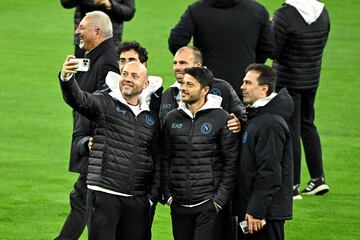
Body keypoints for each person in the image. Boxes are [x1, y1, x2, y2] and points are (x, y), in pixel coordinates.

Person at [59, 61, 161, 240]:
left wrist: (150, 197)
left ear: (145, 84)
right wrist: (67, 78)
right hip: (104, 194)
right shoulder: (105, 102)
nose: (127, 79)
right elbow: (79, 100)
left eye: (134, 76)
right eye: (125, 74)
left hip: (136, 198)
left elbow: (157, 158)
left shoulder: (150, 117)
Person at [55, 11, 119, 240]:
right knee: (85, 200)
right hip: (89, 141)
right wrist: (66, 78)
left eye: (82, 27)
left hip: (96, 143)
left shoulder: (109, 59)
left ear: (97, 31)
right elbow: (78, 97)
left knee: (82, 200)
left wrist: (92, 140)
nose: (76, 31)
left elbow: (105, 105)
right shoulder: (91, 56)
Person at [162, 66, 239, 240]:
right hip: (179, 204)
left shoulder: (222, 118)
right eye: (183, 83)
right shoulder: (171, 118)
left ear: (205, 90)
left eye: (190, 84)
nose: (183, 88)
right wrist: (168, 195)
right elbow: (165, 158)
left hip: (208, 205)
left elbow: (231, 163)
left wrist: (218, 201)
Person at [271, 0, 330, 199]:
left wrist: (271, 27)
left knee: (291, 131)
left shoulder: (284, 15)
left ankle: (292, 184)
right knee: (308, 125)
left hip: (287, 80)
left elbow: (273, 50)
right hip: (311, 78)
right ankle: (318, 178)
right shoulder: (322, 13)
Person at [232, 63, 293, 240]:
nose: (242, 87)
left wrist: (256, 210)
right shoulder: (257, 117)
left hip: (263, 214)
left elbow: (270, 171)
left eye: (248, 83)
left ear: (263, 89)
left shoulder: (270, 124)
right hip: (254, 210)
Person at [168, 0, 275, 97]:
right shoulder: (257, 10)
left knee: (206, 118)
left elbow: (176, 40)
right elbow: (268, 48)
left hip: (206, 86)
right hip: (244, 86)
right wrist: (251, 66)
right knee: (241, 118)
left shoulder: (197, 9)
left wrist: (195, 65)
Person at [60, 0, 135, 57]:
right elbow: (66, 2)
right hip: (84, 41)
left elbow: (129, 12)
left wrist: (110, 4)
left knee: (109, 73)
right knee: (81, 74)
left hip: (111, 41)